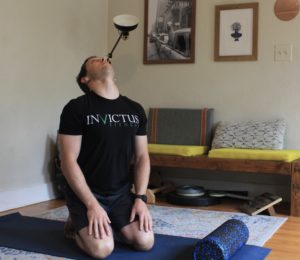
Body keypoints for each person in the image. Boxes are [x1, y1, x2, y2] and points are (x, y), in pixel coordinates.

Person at [58, 56, 154, 259]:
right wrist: (92, 205)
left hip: (120, 193)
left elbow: (142, 157)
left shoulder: (135, 109)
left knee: (144, 242)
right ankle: (76, 224)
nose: (102, 58)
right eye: (93, 60)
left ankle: (109, 222)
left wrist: (141, 198)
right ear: (84, 79)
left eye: (104, 58)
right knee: (102, 249)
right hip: (86, 193)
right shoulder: (76, 108)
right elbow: (67, 161)